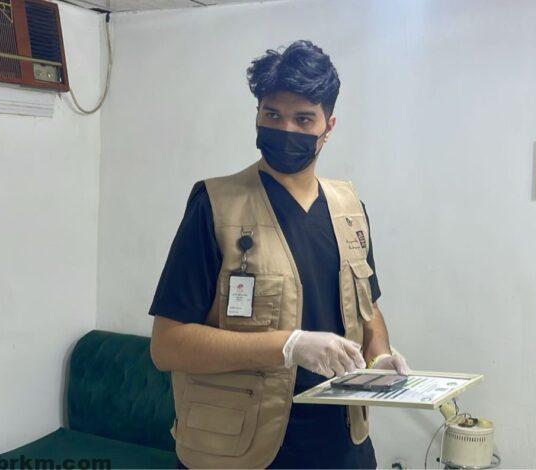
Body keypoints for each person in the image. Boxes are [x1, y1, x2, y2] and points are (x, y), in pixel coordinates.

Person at [148, 39, 409, 469]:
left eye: (303, 118)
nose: (285, 129)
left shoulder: (350, 210)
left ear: (328, 127)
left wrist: (379, 357)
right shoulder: (215, 207)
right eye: (272, 115)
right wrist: (288, 346)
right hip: (239, 451)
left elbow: (369, 311)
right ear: (257, 116)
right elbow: (168, 346)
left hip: (342, 447)